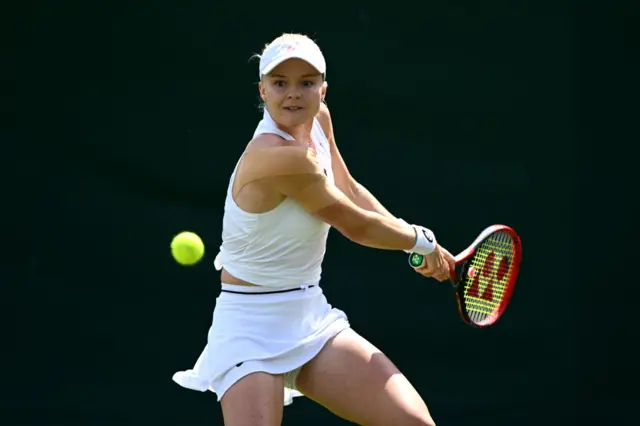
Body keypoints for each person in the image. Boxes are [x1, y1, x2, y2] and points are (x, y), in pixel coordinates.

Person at [172, 33, 456, 426]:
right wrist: (419, 240)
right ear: (262, 90)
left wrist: (412, 240)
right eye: (280, 83)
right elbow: (352, 223)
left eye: (306, 82)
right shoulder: (279, 158)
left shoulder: (319, 120)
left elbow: (350, 189)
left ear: (323, 89)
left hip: (308, 314)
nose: (293, 94)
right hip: (248, 327)